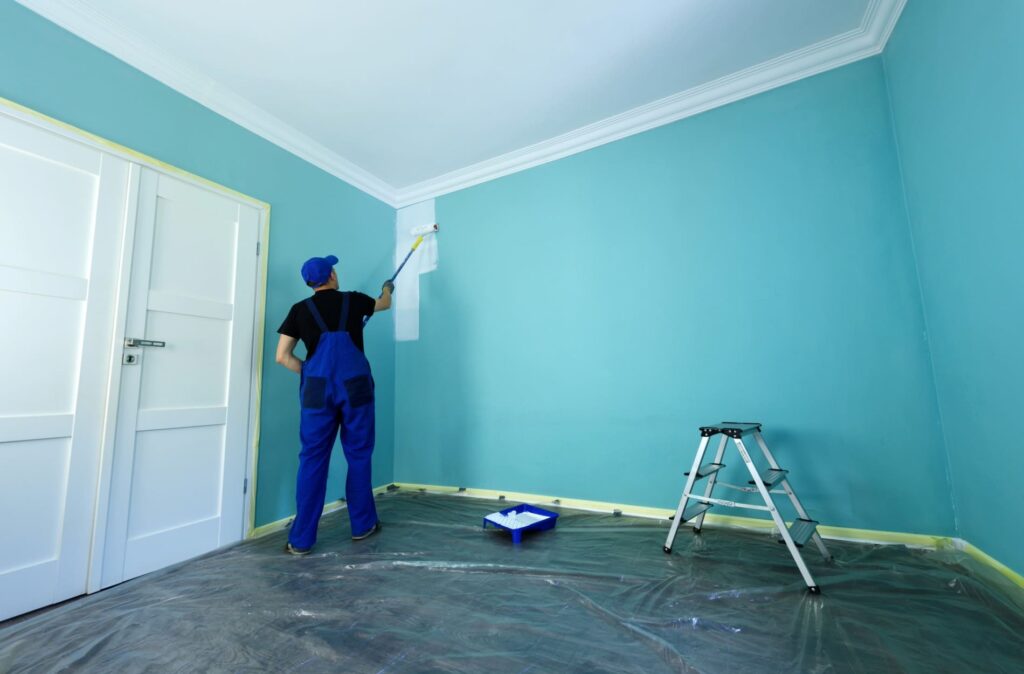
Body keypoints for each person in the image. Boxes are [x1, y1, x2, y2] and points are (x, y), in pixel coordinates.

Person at [275, 254, 394, 555]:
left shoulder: (299, 310)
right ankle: (362, 525)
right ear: (331, 276)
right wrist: (387, 289)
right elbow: (384, 305)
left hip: (317, 390)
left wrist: (311, 372)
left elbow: (282, 357)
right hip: (355, 387)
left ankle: (301, 540)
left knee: (312, 458)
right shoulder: (354, 300)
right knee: (359, 454)